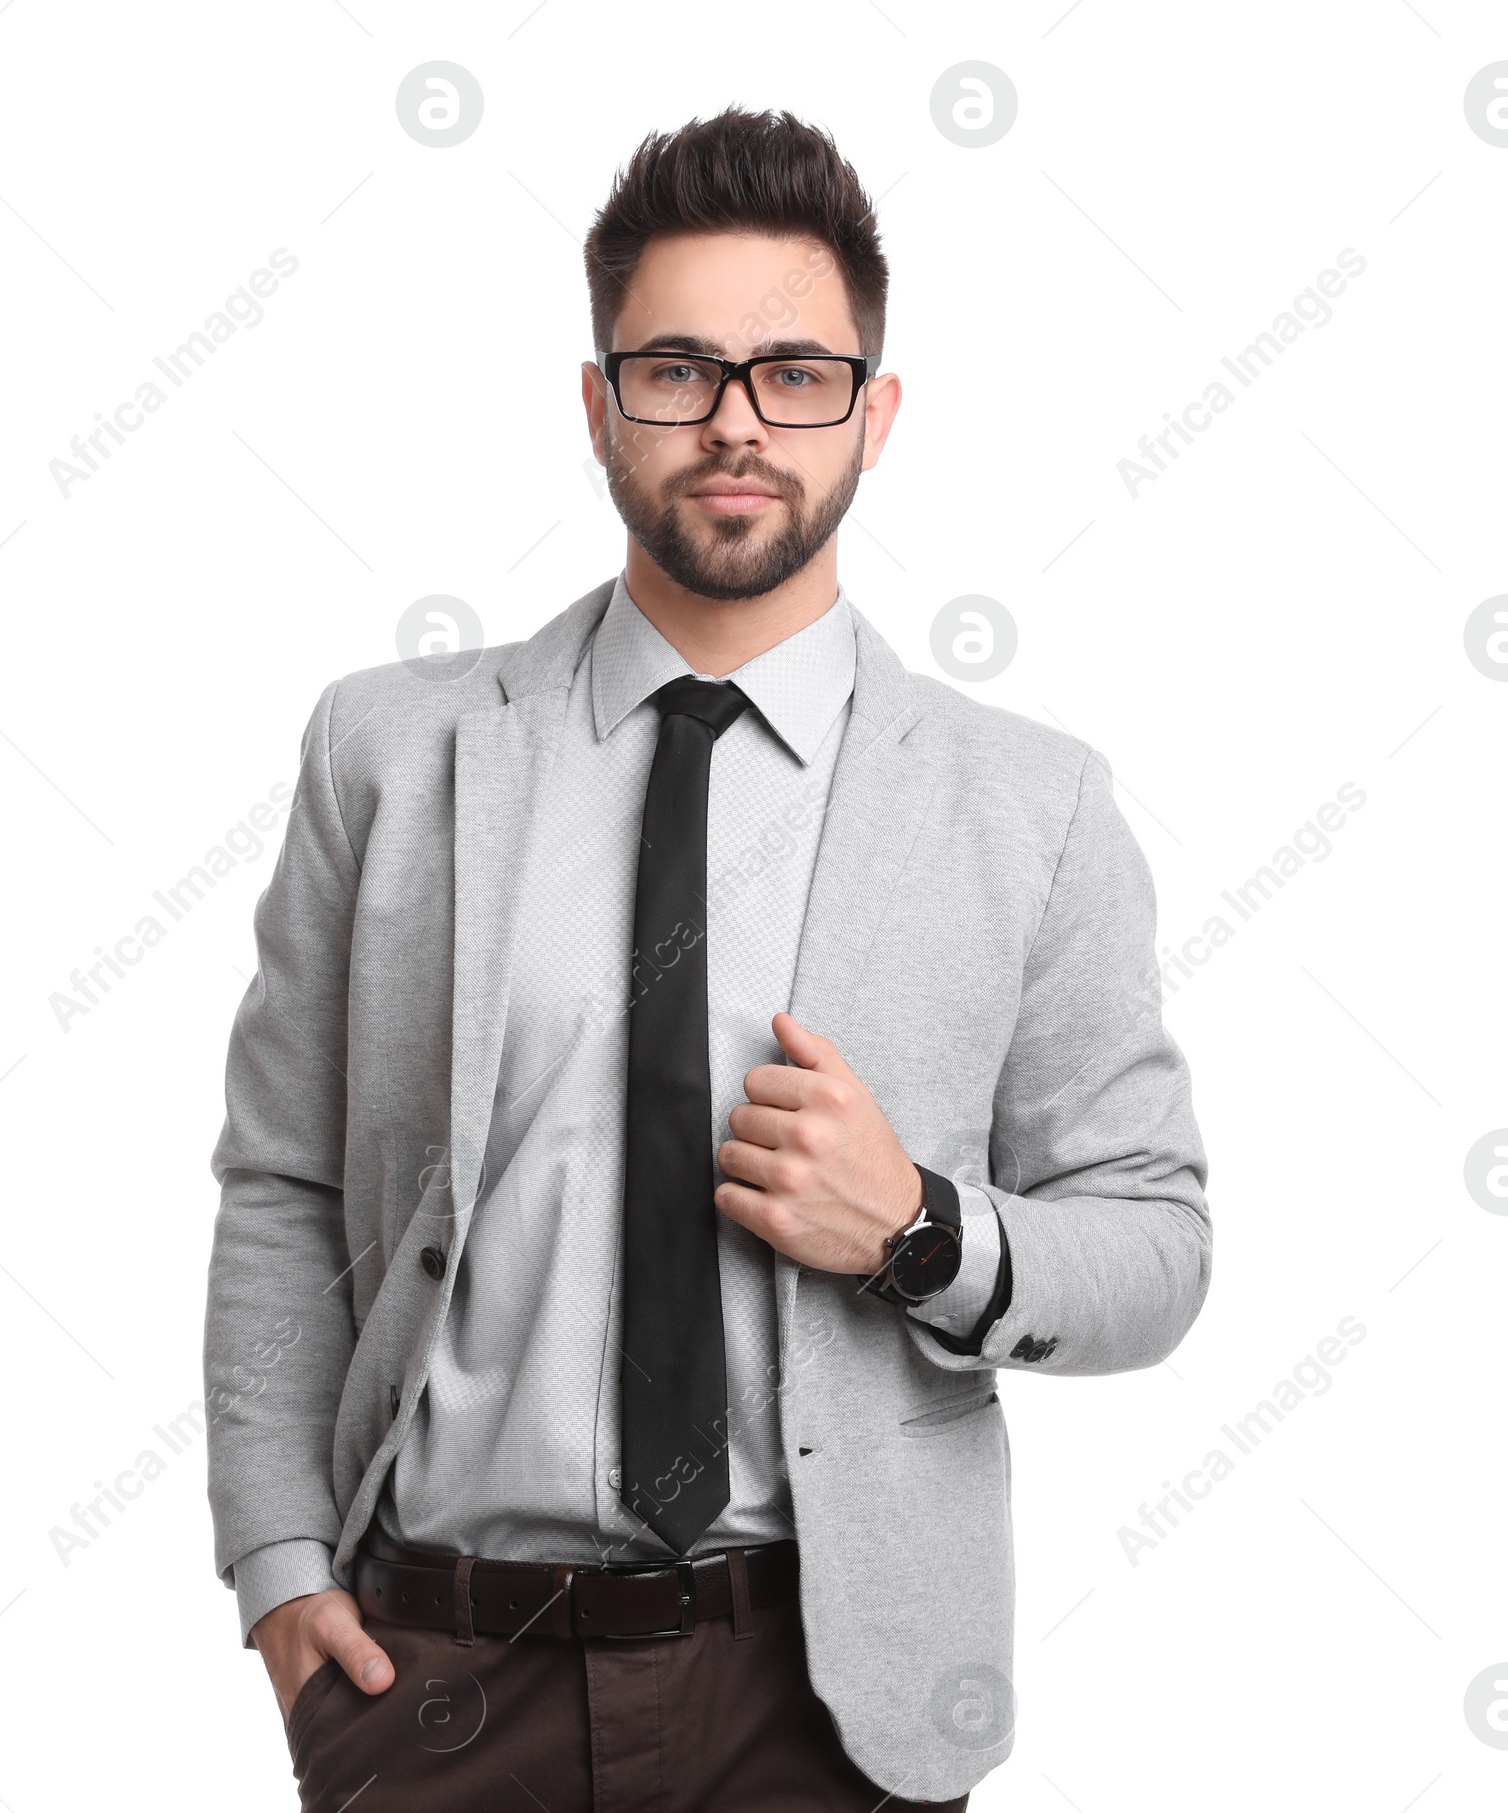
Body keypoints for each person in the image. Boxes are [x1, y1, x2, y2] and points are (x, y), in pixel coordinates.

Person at [203, 104, 1211, 1811]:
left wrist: (916, 1226)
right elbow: (286, 1182)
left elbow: (1157, 1243)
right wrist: (278, 1565)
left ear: (874, 413)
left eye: (796, 372)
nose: (737, 421)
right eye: (677, 368)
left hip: (828, 1700)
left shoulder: (1028, 806)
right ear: (599, 406)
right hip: (436, 1674)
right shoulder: (392, 753)